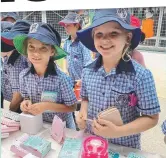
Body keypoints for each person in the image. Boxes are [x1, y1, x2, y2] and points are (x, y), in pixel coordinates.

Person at [76, 8, 160, 149]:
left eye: (114, 33)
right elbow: (85, 98)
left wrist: (118, 131)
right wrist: (82, 111)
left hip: (124, 147)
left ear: (127, 37)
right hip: (93, 143)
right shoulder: (87, 70)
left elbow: (152, 118)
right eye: (99, 34)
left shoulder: (141, 75)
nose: (105, 40)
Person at [13, 23, 77, 129]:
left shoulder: (62, 78)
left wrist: (46, 105)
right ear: (26, 50)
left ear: (52, 51)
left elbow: (72, 106)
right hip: (38, 125)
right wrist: (25, 102)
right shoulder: (23, 76)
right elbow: (26, 97)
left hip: (63, 128)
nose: (36, 53)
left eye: (43, 48)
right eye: (31, 47)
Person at [1, 20, 30, 112]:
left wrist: (10, 113)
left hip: (20, 106)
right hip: (24, 105)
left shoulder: (17, 61)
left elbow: (18, 95)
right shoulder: (9, 57)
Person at [58, 12, 92, 87]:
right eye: (65, 26)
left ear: (76, 25)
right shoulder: (67, 42)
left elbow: (88, 64)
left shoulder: (83, 43)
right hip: (70, 81)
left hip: (82, 82)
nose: (65, 28)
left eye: (68, 25)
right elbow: (65, 57)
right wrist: (65, 70)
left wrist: (83, 79)